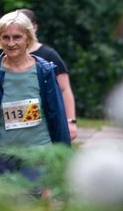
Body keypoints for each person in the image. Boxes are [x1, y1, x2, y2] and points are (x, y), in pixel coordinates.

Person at [0, 10, 70, 187]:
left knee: (29, 205)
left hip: (38, 153)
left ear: (28, 38)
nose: (11, 43)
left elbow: (56, 116)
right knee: (5, 210)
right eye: (5, 37)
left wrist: (63, 157)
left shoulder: (44, 71)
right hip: (2, 155)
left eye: (17, 37)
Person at [19, 8, 79, 142]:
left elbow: (64, 89)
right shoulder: (7, 57)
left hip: (45, 119)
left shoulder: (49, 55)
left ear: (34, 27)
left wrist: (70, 122)